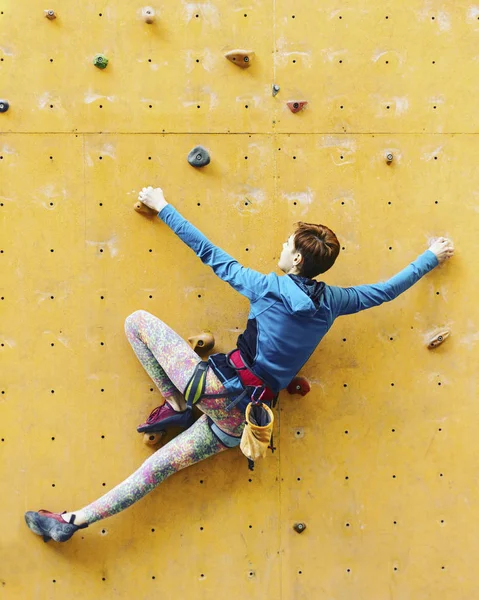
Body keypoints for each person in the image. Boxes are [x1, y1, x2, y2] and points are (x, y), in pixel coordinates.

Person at [24, 186, 455, 543]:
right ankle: (72, 521)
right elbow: (385, 291)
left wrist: (162, 205)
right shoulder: (335, 303)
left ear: (298, 261)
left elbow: (209, 253)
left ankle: (174, 405)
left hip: (208, 388)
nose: (282, 250)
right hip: (240, 423)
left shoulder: (267, 287)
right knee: (154, 471)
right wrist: (430, 257)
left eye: (287, 247)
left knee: (136, 323)